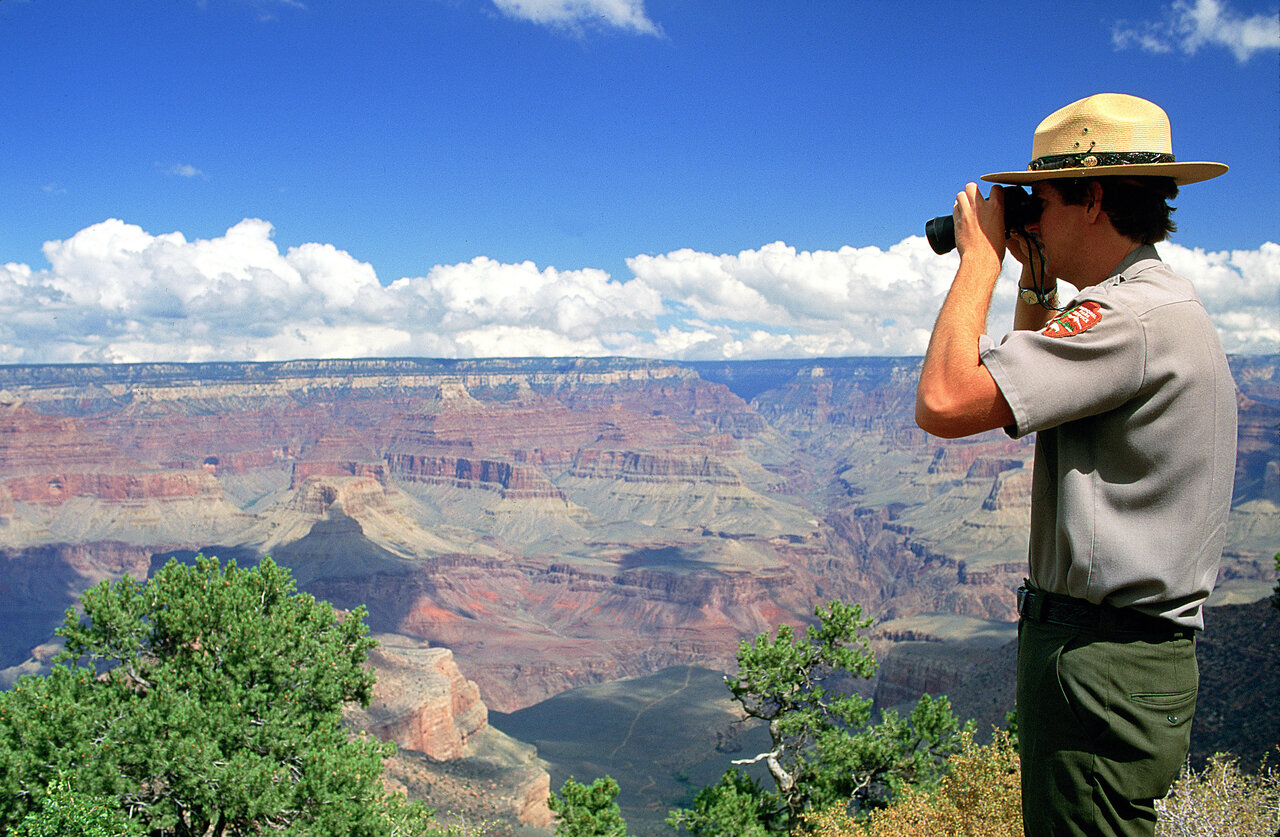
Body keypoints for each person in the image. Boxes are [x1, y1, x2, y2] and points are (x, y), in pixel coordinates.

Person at [914, 93, 1237, 836]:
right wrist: (1035, 283)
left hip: (1101, 663)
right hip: (1111, 659)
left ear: (1092, 200)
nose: (1030, 215)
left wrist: (980, 262)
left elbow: (944, 400)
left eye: (1043, 198)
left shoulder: (1126, 319)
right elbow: (1030, 396)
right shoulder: (1148, 307)